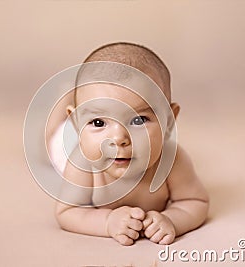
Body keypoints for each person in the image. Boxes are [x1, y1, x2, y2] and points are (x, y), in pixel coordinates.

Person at [53, 42, 209, 246]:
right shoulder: (81, 161)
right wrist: (108, 222)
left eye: (138, 120)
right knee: (50, 140)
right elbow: (67, 212)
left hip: (91, 136)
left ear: (169, 121)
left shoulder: (173, 160)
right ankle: (63, 102)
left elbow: (196, 202)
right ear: (77, 124)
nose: (118, 138)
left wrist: (172, 219)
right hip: (66, 146)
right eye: (99, 122)